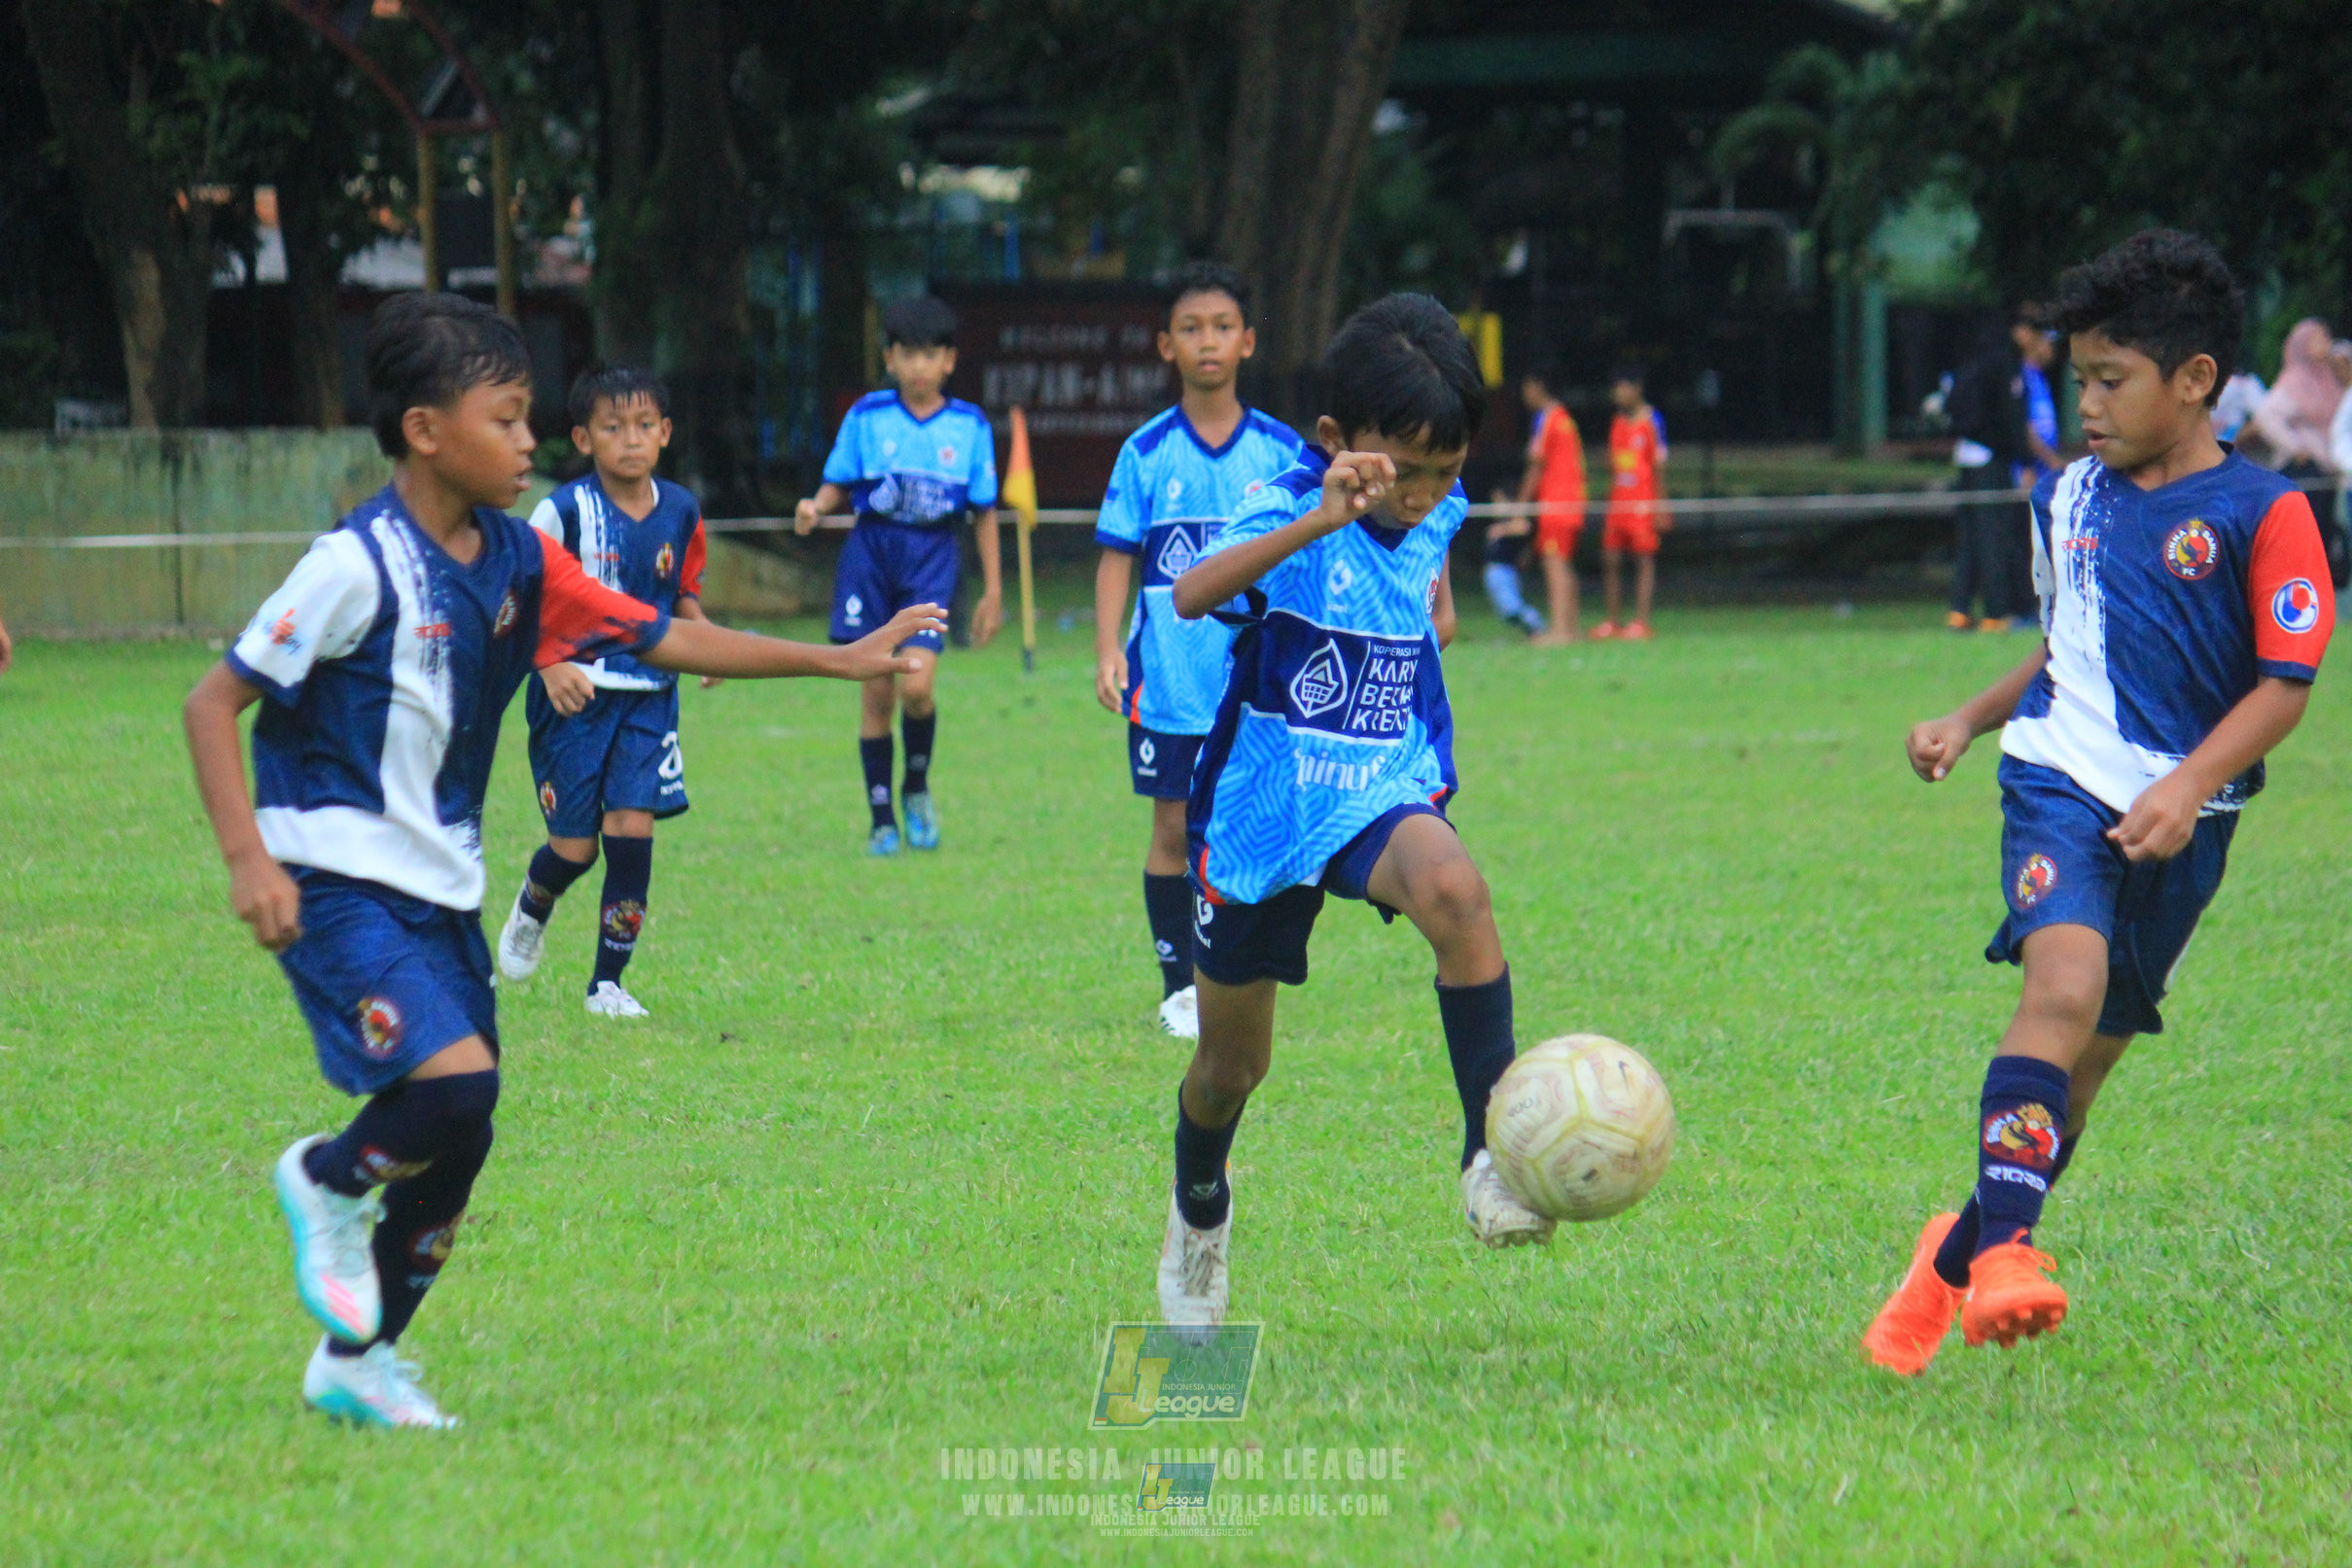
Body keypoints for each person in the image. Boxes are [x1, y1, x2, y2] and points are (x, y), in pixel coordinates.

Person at [182, 292, 943, 1428]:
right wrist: (249, 859)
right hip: (332, 876)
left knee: (466, 1129)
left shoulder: (522, 558)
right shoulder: (354, 564)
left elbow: (663, 633)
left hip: (439, 884)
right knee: (458, 1084)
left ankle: (360, 1353)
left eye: (532, 416)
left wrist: (844, 662)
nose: (531, 439)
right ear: (427, 430)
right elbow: (214, 699)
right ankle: (327, 1179)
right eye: (507, 418)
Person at [1860, 230, 2334, 1376]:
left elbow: (2284, 688)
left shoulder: (2267, 512)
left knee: (2076, 1077)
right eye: (2078, 379)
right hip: (2057, 781)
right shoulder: (2063, 492)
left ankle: (1948, 1259)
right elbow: (2067, 649)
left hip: (2187, 820)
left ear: (2196, 380)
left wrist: (2187, 783)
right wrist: (1970, 721)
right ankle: (2012, 1250)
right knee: (2059, 984)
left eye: (2109, 379)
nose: (2087, 404)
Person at [1153, 293, 1550, 1327]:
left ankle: (1491, 1155)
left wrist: (1413, 630)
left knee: (1454, 889)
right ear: (1336, 441)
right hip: (1262, 807)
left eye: (1445, 474)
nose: (1423, 496)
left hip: (1377, 782)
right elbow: (1194, 592)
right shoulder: (1283, 500)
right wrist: (1317, 520)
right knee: (1230, 1065)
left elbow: (1435, 608)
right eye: (1402, 472)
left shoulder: (1439, 509)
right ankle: (1199, 1198)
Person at [1093, 262, 1304, 1041]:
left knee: (1248, 828)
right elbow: (1118, 553)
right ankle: (1180, 986)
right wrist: (1108, 647)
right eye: (1190, 328)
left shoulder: (1283, 452)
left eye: (1221, 326)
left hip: (1255, 684)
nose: (1206, 341)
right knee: (1173, 830)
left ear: (1247, 341)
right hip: (1171, 684)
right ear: (1165, 345)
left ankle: (1241, 973)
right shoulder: (1145, 452)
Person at [493, 366, 714, 1018]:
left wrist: (702, 642)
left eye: (645, 426)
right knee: (575, 848)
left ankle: (607, 984)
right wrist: (548, 661)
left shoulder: (680, 508)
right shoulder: (561, 511)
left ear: (665, 433)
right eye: (613, 428)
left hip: (648, 693)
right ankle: (535, 900)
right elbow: (515, 593)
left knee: (631, 832)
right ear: (584, 439)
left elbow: (682, 591)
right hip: (575, 697)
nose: (631, 440)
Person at [795, 296, 1002, 854]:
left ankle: (915, 785)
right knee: (875, 694)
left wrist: (994, 590)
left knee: (917, 688)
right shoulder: (867, 416)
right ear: (889, 358)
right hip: (871, 557)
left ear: (949, 361)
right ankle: (881, 816)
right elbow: (837, 481)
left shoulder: (968, 426)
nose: (918, 366)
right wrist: (817, 505)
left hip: (933, 558)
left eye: (930, 355)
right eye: (907, 354)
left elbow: (984, 511)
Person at [1594, 366, 1667, 640]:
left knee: (1643, 560)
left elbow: (1659, 466)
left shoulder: (1652, 421)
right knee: (1610, 558)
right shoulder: (1617, 422)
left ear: (1637, 388)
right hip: (1618, 502)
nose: (1618, 394)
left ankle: (1641, 621)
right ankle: (1613, 620)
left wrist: (1660, 505)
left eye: (1623, 387)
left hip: (1643, 502)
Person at [1516, 366, 1585, 643]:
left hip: (1556, 502)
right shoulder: (1565, 417)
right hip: (1572, 500)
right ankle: (1572, 629)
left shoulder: (1547, 418)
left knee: (1554, 563)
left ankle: (1558, 631)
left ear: (1537, 386)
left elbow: (1536, 465)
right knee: (1564, 564)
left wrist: (1519, 507)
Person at [1479, 488, 1547, 637]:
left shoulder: (1514, 521)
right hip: (1493, 571)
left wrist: (1501, 529)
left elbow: (1524, 527)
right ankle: (1532, 632)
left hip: (1504, 570)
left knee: (1512, 607)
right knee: (1505, 610)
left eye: (1498, 501)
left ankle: (1537, 626)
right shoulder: (1500, 522)